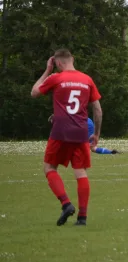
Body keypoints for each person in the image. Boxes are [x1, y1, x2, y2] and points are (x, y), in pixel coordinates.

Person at [31, 49, 102, 226]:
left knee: (49, 168)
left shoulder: (56, 77)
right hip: (80, 131)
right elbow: (98, 109)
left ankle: (66, 204)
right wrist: (97, 134)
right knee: (80, 172)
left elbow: (34, 92)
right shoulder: (87, 79)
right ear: (72, 59)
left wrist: (47, 71)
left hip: (60, 131)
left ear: (58, 63)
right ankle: (82, 218)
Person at [49, 115, 120, 154]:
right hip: (88, 121)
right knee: (93, 148)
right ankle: (111, 152)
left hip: (84, 124)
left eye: (53, 122)